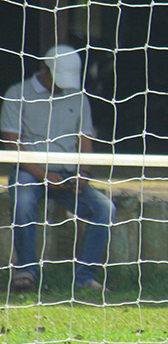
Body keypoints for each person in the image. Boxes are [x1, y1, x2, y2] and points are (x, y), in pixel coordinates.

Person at [1, 45, 115, 293]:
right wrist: (43, 175)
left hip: (68, 174)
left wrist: (83, 173)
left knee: (105, 209)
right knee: (22, 201)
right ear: (44, 68)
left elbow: (85, 140)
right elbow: (12, 142)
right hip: (29, 170)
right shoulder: (16, 93)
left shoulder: (78, 96)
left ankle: (84, 278)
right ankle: (27, 270)